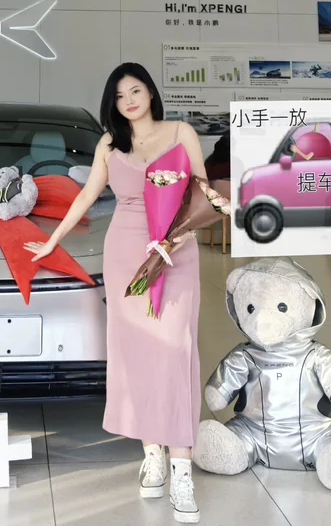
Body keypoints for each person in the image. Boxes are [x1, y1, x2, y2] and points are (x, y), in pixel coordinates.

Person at [25, 62, 213, 524]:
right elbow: (87, 195)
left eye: (135, 91)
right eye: (119, 95)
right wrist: (52, 240)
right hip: (127, 251)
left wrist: (177, 238)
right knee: (137, 353)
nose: (128, 100)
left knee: (176, 352)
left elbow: (202, 193)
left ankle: (182, 470)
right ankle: (153, 455)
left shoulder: (181, 133)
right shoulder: (110, 144)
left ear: (150, 92)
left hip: (175, 249)